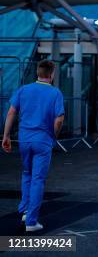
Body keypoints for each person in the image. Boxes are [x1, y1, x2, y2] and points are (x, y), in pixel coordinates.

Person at [2, 59, 64, 233]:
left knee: (27, 173)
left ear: (38, 72)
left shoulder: (23, 89)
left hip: (24, 140)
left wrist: (6, 136)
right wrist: (54, 135)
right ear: (51, 74)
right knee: (38, 179)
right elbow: (59, 119)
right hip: (43, 140)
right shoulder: (55, 93)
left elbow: (11, 112)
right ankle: (31, 221)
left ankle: (25, 209)